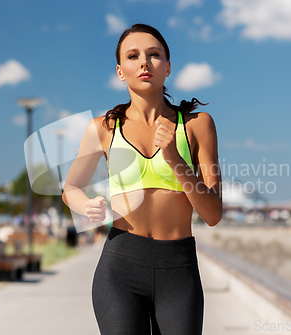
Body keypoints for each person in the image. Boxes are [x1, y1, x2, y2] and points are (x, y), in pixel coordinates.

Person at [62, 23, 223, 335]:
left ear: (168, 67)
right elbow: (70, 188)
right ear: (121, 71)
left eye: (154, 55)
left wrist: (176, 161)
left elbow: (213, 214)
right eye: (133, 56)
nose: (144, 62)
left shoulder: (197, 125)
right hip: (120, 267)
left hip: (178, 269)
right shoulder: (104, 128)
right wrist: (86, 206)